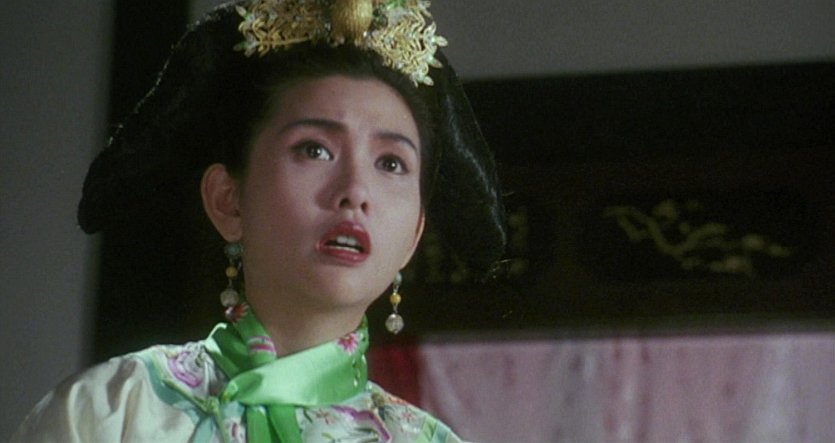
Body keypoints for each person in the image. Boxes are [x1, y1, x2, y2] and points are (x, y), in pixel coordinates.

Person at [13, 0, 505, 441]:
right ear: (228, 200)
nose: (355, 191)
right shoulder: (108, 414)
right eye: (315, 150)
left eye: (391, 163)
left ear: (414, 235)